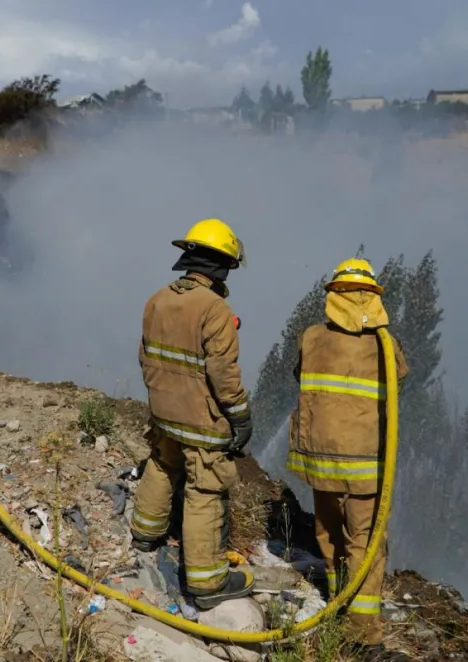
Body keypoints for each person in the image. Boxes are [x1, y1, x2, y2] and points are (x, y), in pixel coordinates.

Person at [285, 258, 409, 661]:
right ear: (373, 299)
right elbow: (400, 379)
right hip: (365, 464)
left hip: (319, 457)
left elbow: (300, 374)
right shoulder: (385, 346)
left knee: (328, 528)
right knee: (367, 543)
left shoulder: (311, 337)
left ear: (332, 297)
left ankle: (337, 594)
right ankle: (362, 633)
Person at [129, 218, 255, 610]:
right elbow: (222, 372)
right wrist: (239, 416)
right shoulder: (215, 308)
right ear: (221, 265)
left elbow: (145, 356)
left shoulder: (158, 298)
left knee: (164, 463)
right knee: (205, 487)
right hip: (201, 417)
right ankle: (206, 583)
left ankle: (144, 534)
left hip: (163, 411)